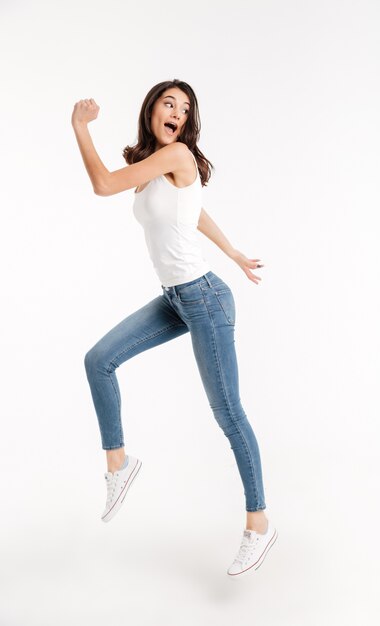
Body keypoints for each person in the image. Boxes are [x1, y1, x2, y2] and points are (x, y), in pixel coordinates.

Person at [71, 78, 277, 577]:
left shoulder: (178, 154)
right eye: (169, 104)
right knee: (99, 360)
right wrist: (230, 250)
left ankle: (259, 523)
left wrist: (79, 128)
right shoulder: (156, 167)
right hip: (176, 299)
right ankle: (119, 464)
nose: (177, 114)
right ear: (152, 110)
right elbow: (194, 209)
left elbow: (101, 184)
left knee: (228, 413)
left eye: (185, 109)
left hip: (204, 300)